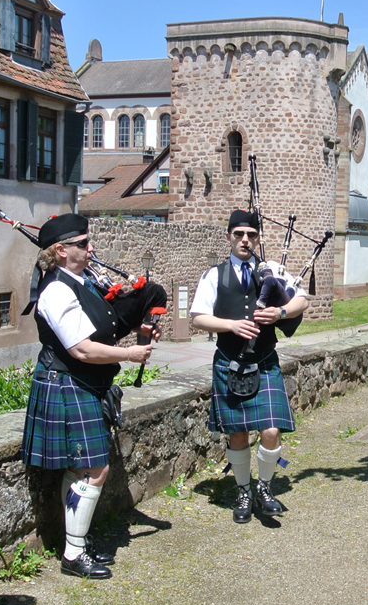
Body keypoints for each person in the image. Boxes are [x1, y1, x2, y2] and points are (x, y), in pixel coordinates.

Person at [21, 214, 162, 580]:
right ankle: (73, 552)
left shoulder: (82, 281)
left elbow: (106, 326)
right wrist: (130, 355)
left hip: (84, 384)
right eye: (83, 243)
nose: (90, 248)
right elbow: (82, 349)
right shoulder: (56, 290)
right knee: (93, 469)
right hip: (66, 381)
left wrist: (141, 327)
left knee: (85, 467)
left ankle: (76, 544)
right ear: (60, 250)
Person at [190, 210, 310, 524]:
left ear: (257, 238)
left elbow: (302, 301)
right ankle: (244, 491)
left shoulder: (270, 270)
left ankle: (265, 488)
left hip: (264, 360)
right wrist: (230, 325)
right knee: (238, 434)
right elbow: (198, 317)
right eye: (239, 234)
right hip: (230, 362)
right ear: (229, 236)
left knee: (271, 430)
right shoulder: (213, 275)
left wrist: (280, 312)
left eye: (251, 235)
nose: (245, 240)